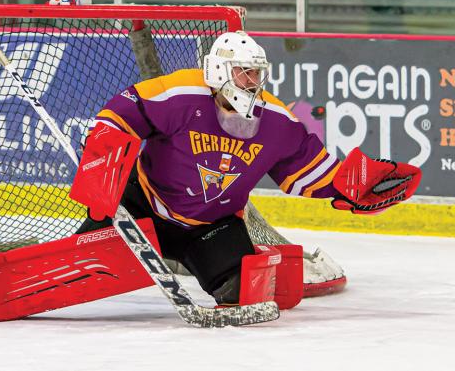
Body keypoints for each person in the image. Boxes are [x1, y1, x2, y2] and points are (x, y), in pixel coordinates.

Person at [75, 30, 419, 306]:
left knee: (241, 293)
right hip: (141, 208)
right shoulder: (180, 94)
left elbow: (309, 171)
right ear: (220, 71)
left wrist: (349, 184)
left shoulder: (277, 122)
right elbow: (121, 115)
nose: (254, 80)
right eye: (246, 71)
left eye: (257, 72)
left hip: (210, 228)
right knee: (75, 271)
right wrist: (103, 158)